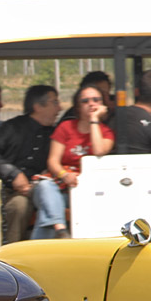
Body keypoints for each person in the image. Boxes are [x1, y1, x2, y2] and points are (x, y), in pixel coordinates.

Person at [31, 85, 114, 239]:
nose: (91, 104)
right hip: (59, 187)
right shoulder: (65, 127)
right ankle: (62, 230)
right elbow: (53, 161)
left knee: (46, 212)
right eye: (85, 101)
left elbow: (99, 151)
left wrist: (94, 120)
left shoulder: (106, 132)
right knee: (44, 187)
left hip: (85, 192)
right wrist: (64, 175)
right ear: (77, 106)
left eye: (96, 100)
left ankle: (46, 242)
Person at [0, 84, 61, 244]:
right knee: (19, 205)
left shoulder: (54, 134)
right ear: (38, 106)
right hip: (6, 191)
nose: (59, 108)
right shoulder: (12, 128)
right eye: (55, 102)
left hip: (38, 188)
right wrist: (13, 174)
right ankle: (9, 254)